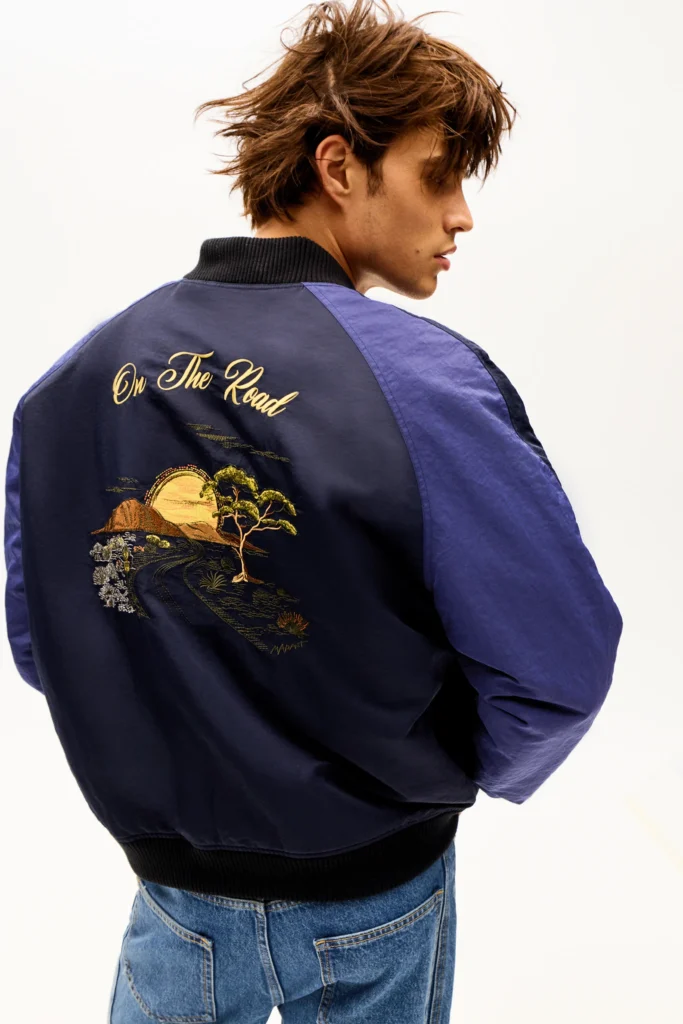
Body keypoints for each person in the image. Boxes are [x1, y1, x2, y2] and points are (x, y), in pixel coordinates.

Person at [3, 1, 624, 1021]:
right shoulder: (426, 389)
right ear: (340, 167)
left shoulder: (71, 381)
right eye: (439, 174)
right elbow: (558, 669)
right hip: (376, 896)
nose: (461, 215)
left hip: (173, 902)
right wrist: (422, 773)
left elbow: (44, 644)